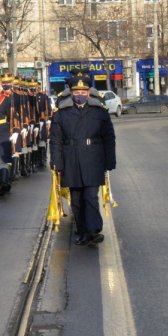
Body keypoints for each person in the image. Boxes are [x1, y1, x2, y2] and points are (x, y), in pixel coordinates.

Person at [49, 77, 116, 246]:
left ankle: (94, 230)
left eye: (83, 92)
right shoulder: (61, 114)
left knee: (91, 196)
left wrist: (110, 159)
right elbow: (55, 140)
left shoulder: (99, 112)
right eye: (77, 92)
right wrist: (56, 161)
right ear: (71, 93)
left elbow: (109, 137)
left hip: (93, 158)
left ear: (89, 93)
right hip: (70, 158)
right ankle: (82, 231)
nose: (80, 95)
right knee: (77, 200)